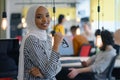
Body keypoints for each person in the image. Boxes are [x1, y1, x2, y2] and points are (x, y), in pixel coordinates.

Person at [18, 6, 63, 80]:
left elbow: (58, 66)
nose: (45, 20)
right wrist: (56, 45)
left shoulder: (47, 38)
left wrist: (43, 76)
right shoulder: (31, 39)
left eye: (47, 15)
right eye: (39, 17)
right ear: (32, 19)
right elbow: (50, 73)